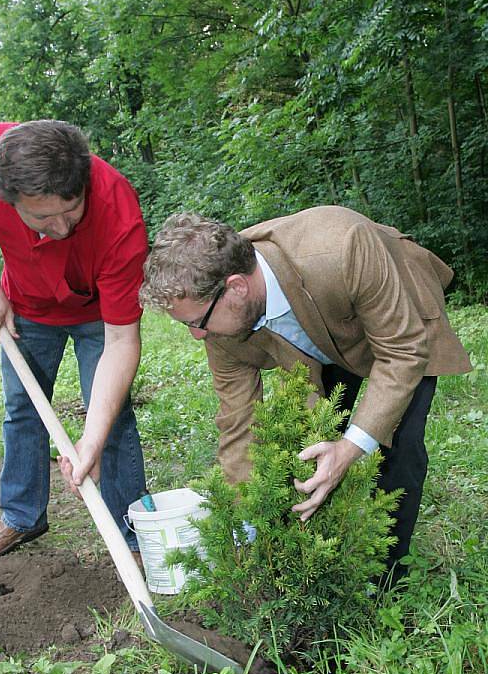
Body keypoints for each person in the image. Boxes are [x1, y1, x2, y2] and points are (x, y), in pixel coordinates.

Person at [140, 207, 472, 584]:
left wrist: (350, 449)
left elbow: (402, 351)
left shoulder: (341, 251)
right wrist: (243, 523)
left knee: (397, 446)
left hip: (397, 316)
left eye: (195, 323)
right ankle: (324, 560)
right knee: (309, 442)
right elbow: (238, 422)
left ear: (236, 288)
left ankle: (387, 577)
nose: (196, 336)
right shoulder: (220, 326)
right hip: (318, 333)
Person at [0, 120, 148, 560]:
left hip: (97, 314)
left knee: (111, 418)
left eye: (71, 210)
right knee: (23, 408)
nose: (64, 228)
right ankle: (21, 517)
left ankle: (130, 531)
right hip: (27, 306)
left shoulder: (118, 211)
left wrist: (88, 439)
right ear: (5, 196)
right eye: (43, 217)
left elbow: (121, 340)